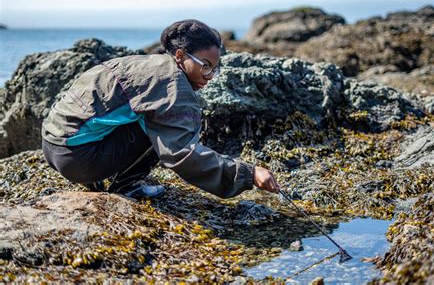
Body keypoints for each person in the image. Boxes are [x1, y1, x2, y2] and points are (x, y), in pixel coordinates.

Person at [41, 19, 280, 199]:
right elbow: (181, 154)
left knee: (147, 117)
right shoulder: (173, 86)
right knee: (164, 127)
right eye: (205, 66)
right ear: (179, 55)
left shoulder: (145, 63)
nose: (209, 77)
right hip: (77, 159)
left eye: (214, 69)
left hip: (52, 144)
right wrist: (249, 174)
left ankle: (100, 177)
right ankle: (127, 186)